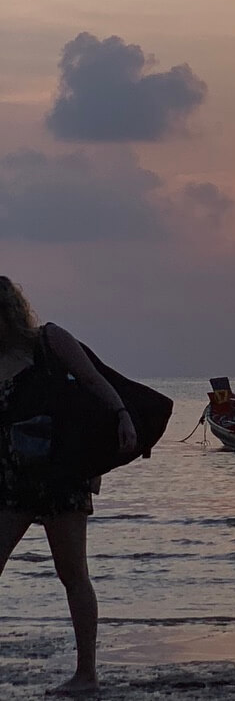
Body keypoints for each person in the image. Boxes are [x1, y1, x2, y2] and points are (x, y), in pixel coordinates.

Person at [0, 277, 137, 695]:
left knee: (72, 572)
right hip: (11, 480)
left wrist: (123, 418)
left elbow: (94, 382)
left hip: (62, 475)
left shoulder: (50, 340)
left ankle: (86, 675)